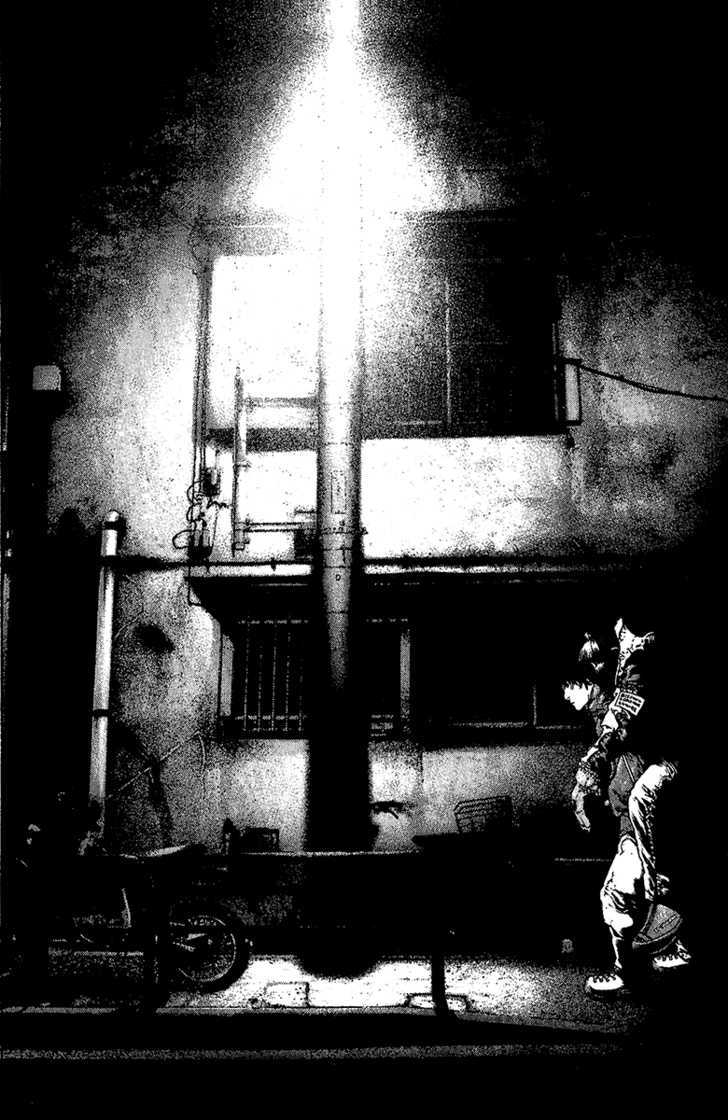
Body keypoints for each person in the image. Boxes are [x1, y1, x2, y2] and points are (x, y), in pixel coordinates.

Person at [568, 613, 690, 997]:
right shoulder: (606, 715)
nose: (571, 695)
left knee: (647, 882)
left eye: (577, 685)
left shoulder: (630, 702)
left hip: (655, 816)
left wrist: (586, 776)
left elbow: (620, 724)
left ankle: (673, 946)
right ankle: (629, 968)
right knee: (615, 892)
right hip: (628, 824)